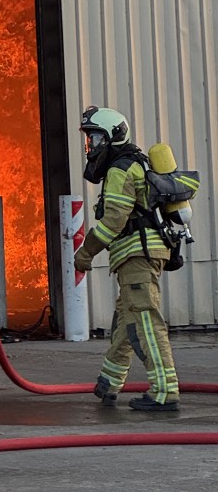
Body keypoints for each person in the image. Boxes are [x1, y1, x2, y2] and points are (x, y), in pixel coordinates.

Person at [73, 105, 180, 411]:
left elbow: (113, 222)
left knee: (146, 321)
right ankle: (110, 380)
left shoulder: (121, 169)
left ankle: (164, 392)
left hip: (137, 255)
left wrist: (86, 253)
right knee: (127, 321)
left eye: (94, 139)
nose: (90, 147)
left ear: (111, 137)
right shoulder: (131, 164)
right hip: (137, 254)